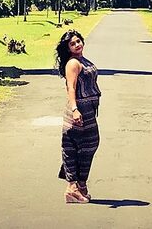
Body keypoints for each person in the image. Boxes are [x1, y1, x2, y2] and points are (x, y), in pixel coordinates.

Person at [55, 30, 101, 204]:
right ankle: (73, 186)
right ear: (68, 48)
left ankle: (79, 186)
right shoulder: (73, 63)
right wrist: (75, 109)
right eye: (72, 44)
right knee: (80, 146)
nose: (77, 45)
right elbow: (71, 88)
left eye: (78, 41)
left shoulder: (82, 60)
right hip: (79, 108)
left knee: (85, 146)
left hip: (88, 110)